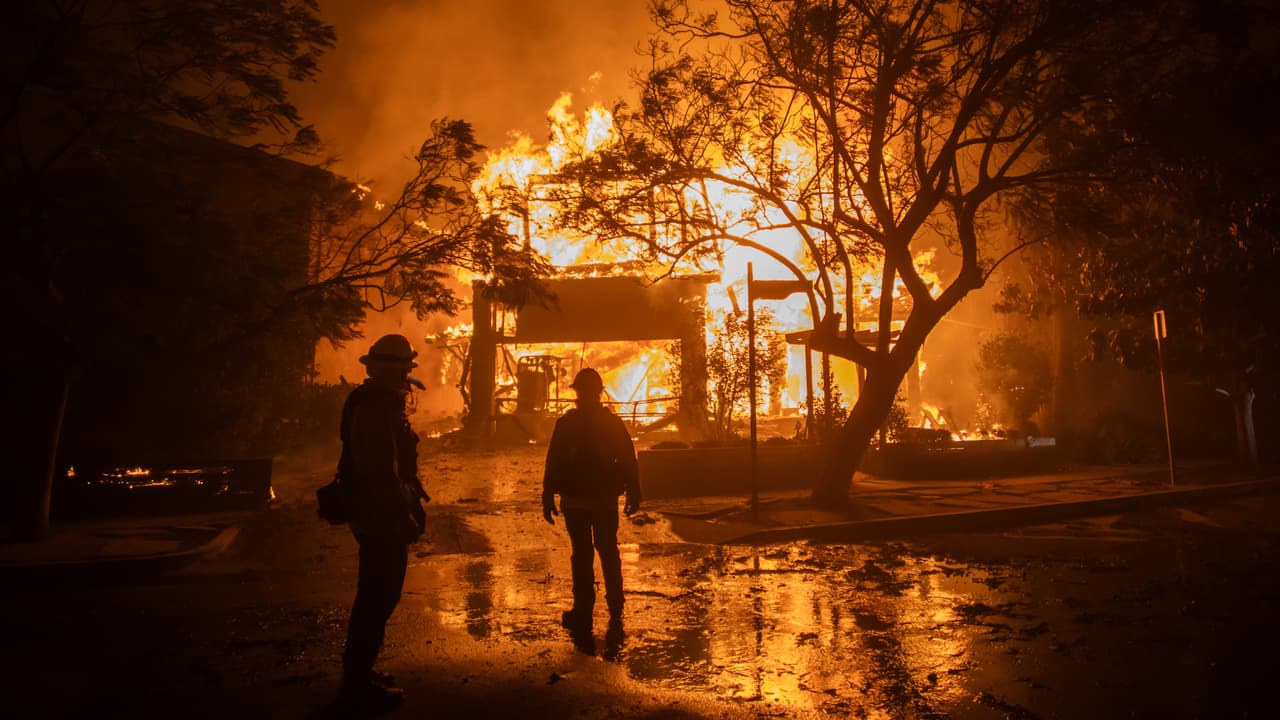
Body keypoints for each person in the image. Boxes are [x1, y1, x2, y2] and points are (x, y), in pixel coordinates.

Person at [337, 333, 428, 711]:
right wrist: (399, 514)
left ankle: (362, 671)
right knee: (378, 596)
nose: (409, 375)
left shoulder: (378, 401)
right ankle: (356, 684)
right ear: (393, 370)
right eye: (405, 368)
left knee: (379, 594)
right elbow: (380, 470)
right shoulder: (376, 408)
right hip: (379, 515)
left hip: (375, 511)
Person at [541, 368, 642, 652]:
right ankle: (614, 607)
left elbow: (554, 461)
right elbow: (627, 458)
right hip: (601, 499)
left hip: (576, 500)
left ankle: (583, 611)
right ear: (599, 392)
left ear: (579, 392)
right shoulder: (610, 423)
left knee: (583, 553)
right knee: (607, 550)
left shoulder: (567, 423)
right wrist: (634, 490)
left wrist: (548, 494)